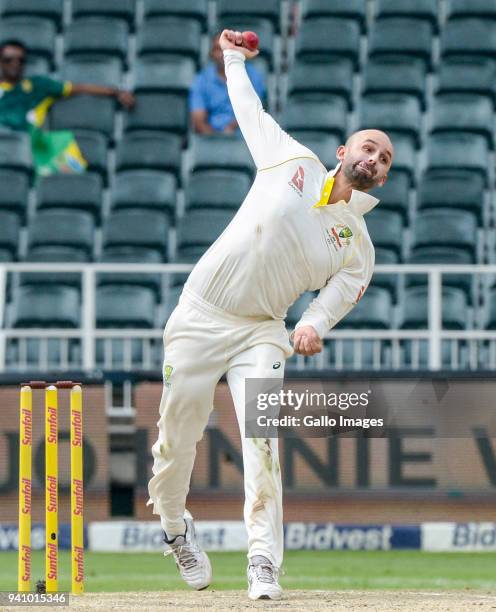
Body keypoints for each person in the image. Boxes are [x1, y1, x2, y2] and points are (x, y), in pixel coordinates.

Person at [148, 29, 393, 600]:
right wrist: (234, 57)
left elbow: (330, 303)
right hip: (200, 316)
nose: (374, 157)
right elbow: (248, 109)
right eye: (368, 147)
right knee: (174, 442)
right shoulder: (291, 161)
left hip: (262, 332)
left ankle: (263, 562)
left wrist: (310, 327)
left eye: (383, 158)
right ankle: (174, 528)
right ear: (343, 152)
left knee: (262, 439)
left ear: (382, 178)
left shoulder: (358, 246)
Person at [0, 39, 135, 176]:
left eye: (20, 60)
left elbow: (79, 88)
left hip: (32, 145)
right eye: (8, 60)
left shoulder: (38, 85)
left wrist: (116, 92)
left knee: (67, 161)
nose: (15, 64)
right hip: (4, 144)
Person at [189, 32, 265, 134]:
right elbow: (198, 120)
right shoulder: (201, 80)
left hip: (245, 138)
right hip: (210, 139)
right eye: (218, 49)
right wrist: (216, 141)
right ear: (211, 54)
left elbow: (253, 113)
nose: (224, 54)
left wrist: (230, 129)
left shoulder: (253, 77)